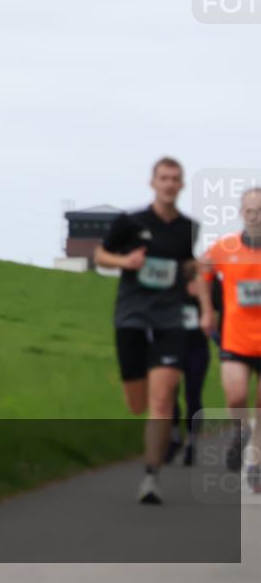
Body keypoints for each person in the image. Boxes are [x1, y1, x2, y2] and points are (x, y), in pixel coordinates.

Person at [94, 157, 212, 504]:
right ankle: (154, 440)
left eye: (175, 178)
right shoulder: (129, 222)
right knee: (137, 403)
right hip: (131, 317)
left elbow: (188, 266)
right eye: (164, 178)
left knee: (161, 402)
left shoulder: (188, 227)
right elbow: (101, 254)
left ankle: (151, 477)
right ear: (153, 182)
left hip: (170, 320)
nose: (169, 184)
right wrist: (124, 262)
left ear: (182, 185)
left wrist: (205, 306)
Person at [200, 187, 261, 492]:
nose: (256, 217)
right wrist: (207, 310)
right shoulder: (225, 248)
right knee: (236, 397)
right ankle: (240, 432)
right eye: (250, 211)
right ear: (241, 213)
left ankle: (258, 465)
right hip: (235, 340)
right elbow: (203, 272)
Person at [163, 268, 211, 467]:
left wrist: (202, 296)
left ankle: (192, 443)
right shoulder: (167, 281)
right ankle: (175, 438)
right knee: (168, 394)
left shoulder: (202, 282)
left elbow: (220, 305)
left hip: (196, 348)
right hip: (171, 345)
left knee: (193, 395)